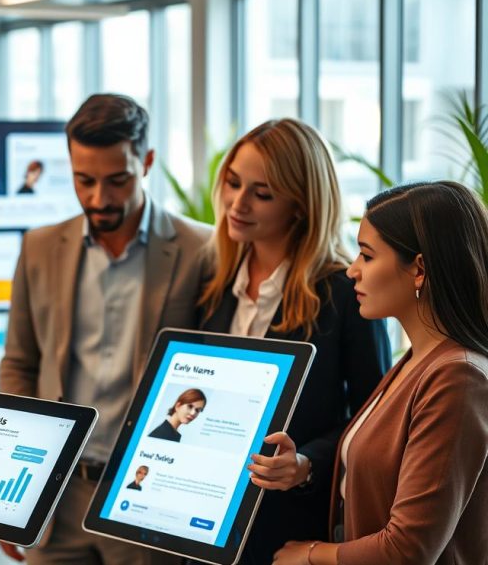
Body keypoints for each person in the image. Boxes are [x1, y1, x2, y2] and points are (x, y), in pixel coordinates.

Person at [0, 94, 211, 565]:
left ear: (146, 162)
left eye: (118, 180)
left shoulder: (201, 249)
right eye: (84, 180)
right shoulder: (39, 247)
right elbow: (19, 364)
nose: (99, 198)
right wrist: (11, 487)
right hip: (54, 491)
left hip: (145, 490)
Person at [198, 119, 390, 565]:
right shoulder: (212, 281)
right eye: (233, 183)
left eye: (262, 194)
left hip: (286, 531)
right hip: (205, 515)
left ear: (301, 206)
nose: (237, 204)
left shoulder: (345, 292)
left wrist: (305, 464)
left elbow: (374, 420)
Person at [272, 181, 488, 565]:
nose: (352, 270)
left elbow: (409, 549)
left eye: (367, 256)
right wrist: (303, 468)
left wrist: (311, 554)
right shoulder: (416, 361)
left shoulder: (457, 378)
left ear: (418, 269)